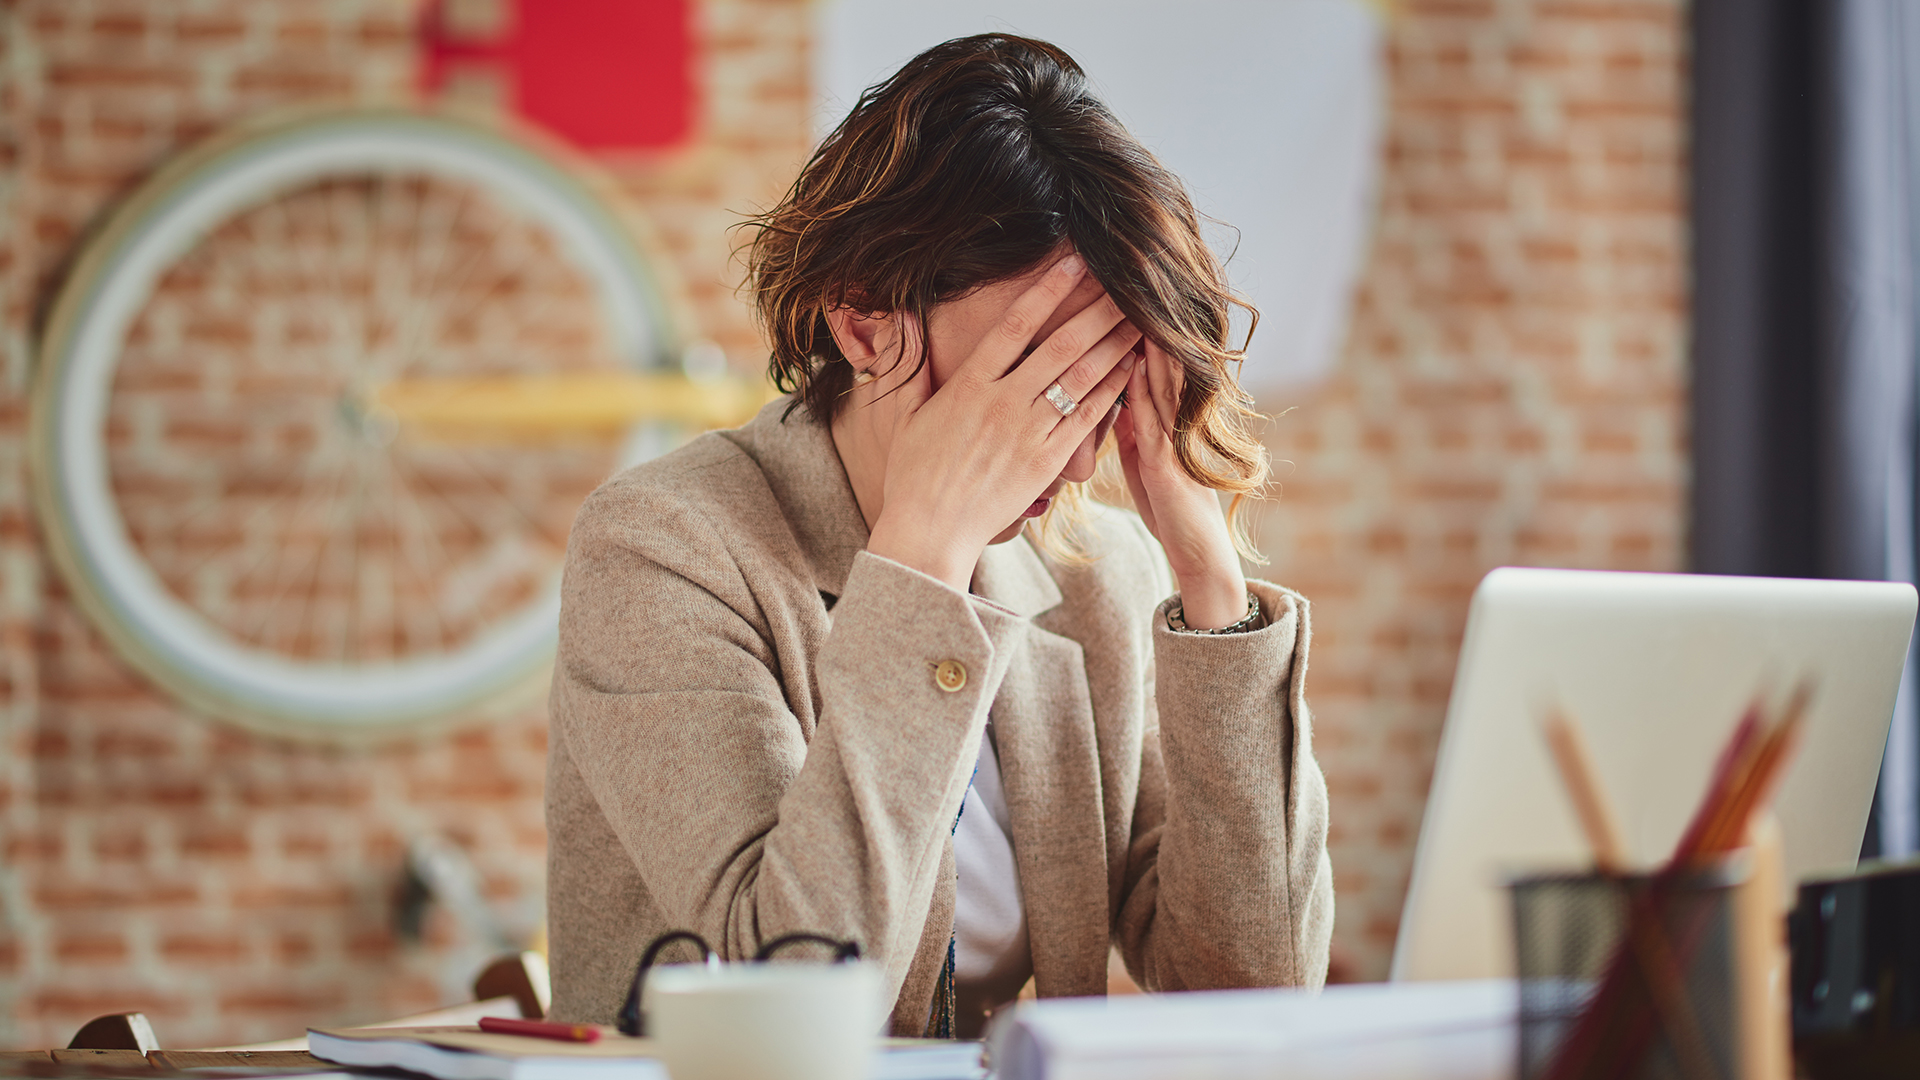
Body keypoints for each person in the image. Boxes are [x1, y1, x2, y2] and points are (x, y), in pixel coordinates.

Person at [545, 33, 1333, 1039]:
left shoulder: (1099, 576)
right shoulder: (665, 547)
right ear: (866, 325)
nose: (1075, 454)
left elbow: (1253, 997)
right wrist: (920, 562)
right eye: (1039, 373)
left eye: (1105, 379)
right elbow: (800, 995)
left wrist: (1207, 574)